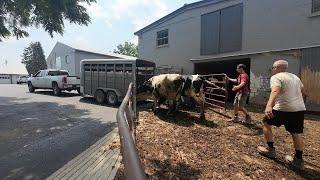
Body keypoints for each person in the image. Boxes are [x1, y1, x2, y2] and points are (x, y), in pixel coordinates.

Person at [257, 60, 307, 168]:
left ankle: (270, 150)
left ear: (277, 67)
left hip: (282, 108)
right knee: (295, 133)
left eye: (273, 68)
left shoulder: (276, 77)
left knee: (266, 122)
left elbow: (275, 91)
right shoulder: (295, 77)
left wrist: (269, 105)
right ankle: (298, 160)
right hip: (298, 109)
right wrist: (298, 103)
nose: (273, 69)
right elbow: (304, 92)